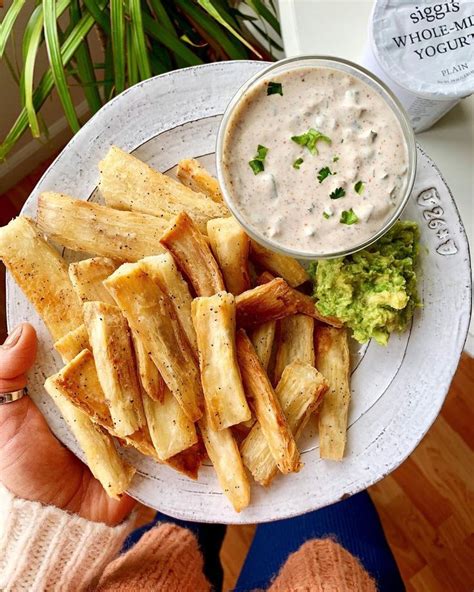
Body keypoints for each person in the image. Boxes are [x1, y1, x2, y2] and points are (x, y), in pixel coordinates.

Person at [0, 324, 406, 591]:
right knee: (324, 494)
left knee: (184, 522)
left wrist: (56, 518)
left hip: (148, 578)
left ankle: (190, 515)